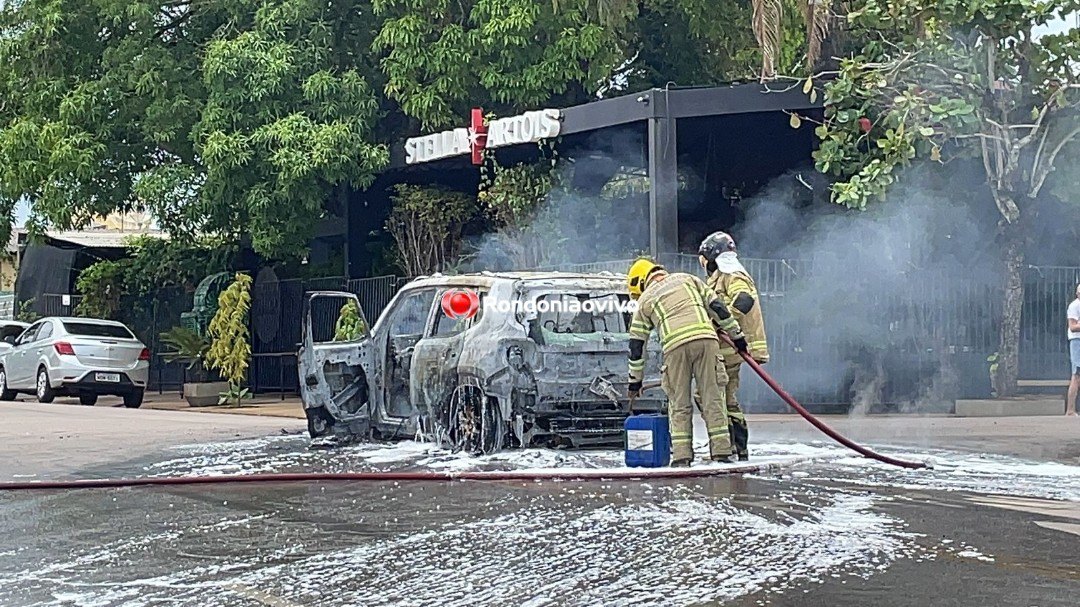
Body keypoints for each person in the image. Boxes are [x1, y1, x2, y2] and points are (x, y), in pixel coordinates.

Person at [626, 258, 749, 466]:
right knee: (713, 399)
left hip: (675, 348)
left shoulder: (645, 301)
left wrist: (635, 382)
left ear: (640, 283)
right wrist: (737, 336)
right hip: (706, 342)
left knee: (679, 403)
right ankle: (721, 453)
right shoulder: (688, 279)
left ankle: (682, 457)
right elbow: (718, 307)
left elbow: (637, 346)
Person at [697, 231, 770, 460]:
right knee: (725, 398)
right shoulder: (722, 276)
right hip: (728, 347)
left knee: (708, 395)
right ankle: (736, 447)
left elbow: (744, 300)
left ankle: (726, 446)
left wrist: (721, 321)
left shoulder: (732, 274)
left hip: (729, 347)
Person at [1067, 284, 1080, 416]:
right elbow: (1072, 327)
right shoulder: (1074, 306)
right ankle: (1070, 410)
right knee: (1076, 376)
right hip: (1077, 341)